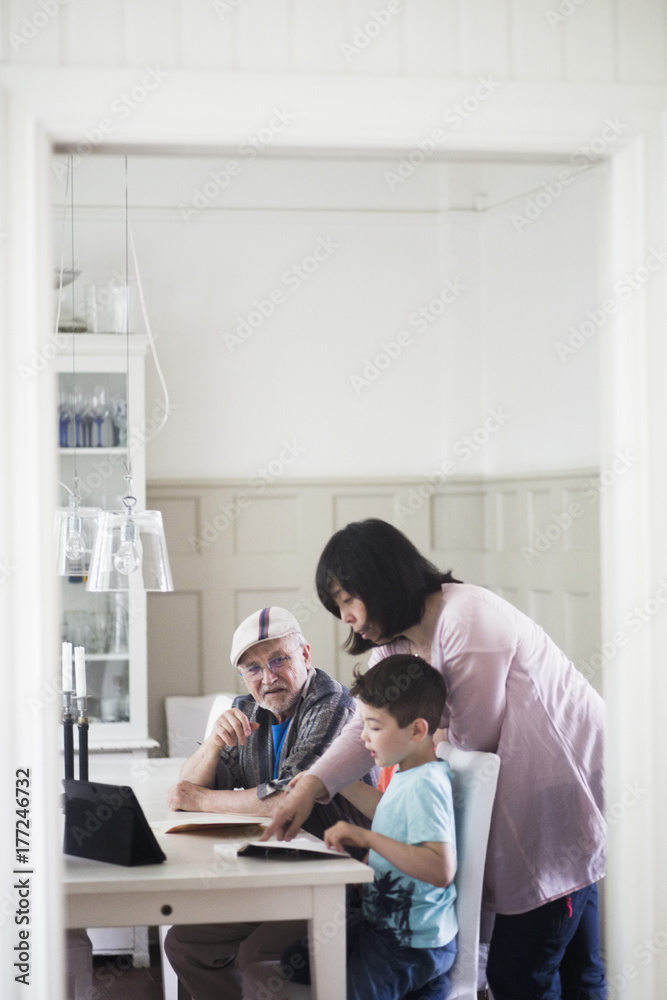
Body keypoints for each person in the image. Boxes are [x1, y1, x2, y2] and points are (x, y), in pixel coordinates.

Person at [264, 519, 607, 1000]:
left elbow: (473, 743)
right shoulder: (398, 644)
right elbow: (368, 727)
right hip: (533, 801)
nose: (345, 617)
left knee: (524, 972)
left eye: (347, 599)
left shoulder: (465, 619)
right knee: (575, 968)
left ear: (381, 580)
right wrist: (311, 784)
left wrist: (416, 742)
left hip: (558, 790)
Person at [164, 605, 376, 1000]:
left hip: (336, 882)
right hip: (270, 871)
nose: (268, 676)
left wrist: (202, 797)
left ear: (306, 656)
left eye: (279, 659)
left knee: (251, 954)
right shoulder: (245, 708)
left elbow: (286, 799)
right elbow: (184, 795)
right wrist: (212, 743)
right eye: (253, 668)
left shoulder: (333, 705)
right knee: (185, 944)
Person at [281, 654, 458, 1000]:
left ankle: (430, 984)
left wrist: (364, 837)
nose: (363, 737)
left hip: (408, 943)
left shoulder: (426, 785)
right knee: (296, 961)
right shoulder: (409, 773)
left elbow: (440, 868)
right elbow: (389, 812)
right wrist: (332, 782)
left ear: (418, 730)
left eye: (374, 727)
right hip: (385, 925)